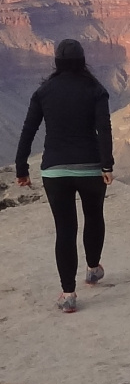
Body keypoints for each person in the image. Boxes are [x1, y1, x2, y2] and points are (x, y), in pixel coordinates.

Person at [15, 39, 114, 312]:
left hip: (55, 171)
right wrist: (107, 166)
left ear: (57, 62)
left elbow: (28, 130)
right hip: (91, 168)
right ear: (82, 61)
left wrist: (21, 168)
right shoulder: (96, 90)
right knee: (94, 216)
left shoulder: (44, 91)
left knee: (65, 229)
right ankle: (93, 269)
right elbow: (104, 130)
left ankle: (68, 295)